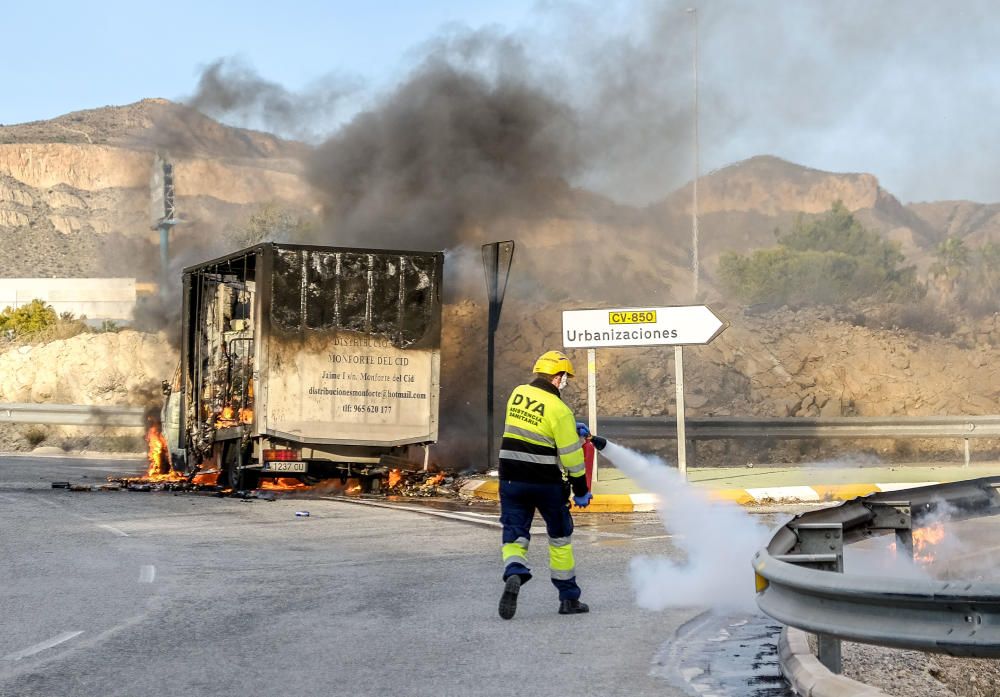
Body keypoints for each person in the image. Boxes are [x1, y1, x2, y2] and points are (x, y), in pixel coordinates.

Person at [497, 350, 607, 620]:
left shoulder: (517, 394)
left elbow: (533, 428)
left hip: (510, 478)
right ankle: (568, 598)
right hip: (545, 483)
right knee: (559, 539)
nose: (566, 381)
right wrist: (581, 490)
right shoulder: (560, 410)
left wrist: (568, 427)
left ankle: (514, 570)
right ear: (557, 378)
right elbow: (572, 457)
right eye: (565, 377)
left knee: (514, 530)